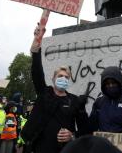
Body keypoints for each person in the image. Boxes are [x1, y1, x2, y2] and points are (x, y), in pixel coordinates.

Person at [20, 24, 89, 153]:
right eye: (60, 76)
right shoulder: (44, 93)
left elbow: (86, 130)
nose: (63, 79)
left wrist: (72, 135)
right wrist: (36, 45)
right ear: (53, 79)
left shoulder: (74, 101)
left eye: (66, 77)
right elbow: (37, 72)